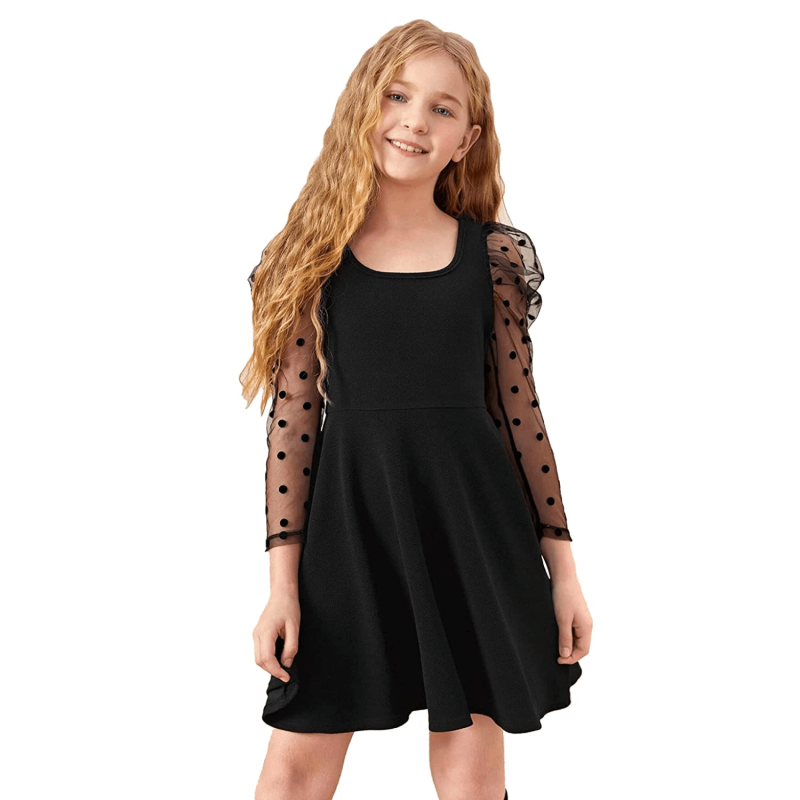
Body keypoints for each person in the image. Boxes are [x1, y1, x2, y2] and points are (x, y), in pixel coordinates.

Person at [240, 19, 593, 800]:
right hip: (350, 537)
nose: (414, 121)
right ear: (364, 104)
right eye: (398, 97)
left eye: (442, 109)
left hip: (474, 532)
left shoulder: (492, 260)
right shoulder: (308, 261)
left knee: (471, 767)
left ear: (467, 140)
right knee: (295, 767)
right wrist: (283, 588)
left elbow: (521, 418)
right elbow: (292, 428)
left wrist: (563, 573)